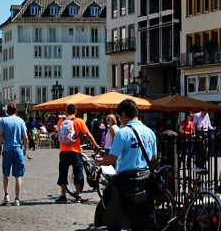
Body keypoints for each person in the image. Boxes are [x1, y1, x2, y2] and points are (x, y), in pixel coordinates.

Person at [96, 99, 158, 231]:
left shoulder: (123, 133)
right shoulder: (150, 132)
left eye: (119, 116)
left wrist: (99, 162)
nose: (120, 120)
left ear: (123, 114)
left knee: (112, 217)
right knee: (139, 221)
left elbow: (112, 159)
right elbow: (154, 158)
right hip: (144, 182)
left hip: (125, 183)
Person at [55, 103, 98, 203]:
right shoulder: (79, 121)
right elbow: (87, 134)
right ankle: (78, 196)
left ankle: (63, 195)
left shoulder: (61, 121)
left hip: (63, 150)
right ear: (76, 112)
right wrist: (95, 144)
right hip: (75, 151)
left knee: (63, 172)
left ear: (66, 112)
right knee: (78, 172)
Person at [0, 102, 28, 206]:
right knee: (18, 176)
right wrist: (25, 149)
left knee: (6, 173)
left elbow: (0, 136)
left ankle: (6, 195)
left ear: (7, 111)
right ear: (16, 111)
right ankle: (17, 199)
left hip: (7, 149)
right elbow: (26, 137)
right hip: (18, 149)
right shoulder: (21, 121)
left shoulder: (4, 120)